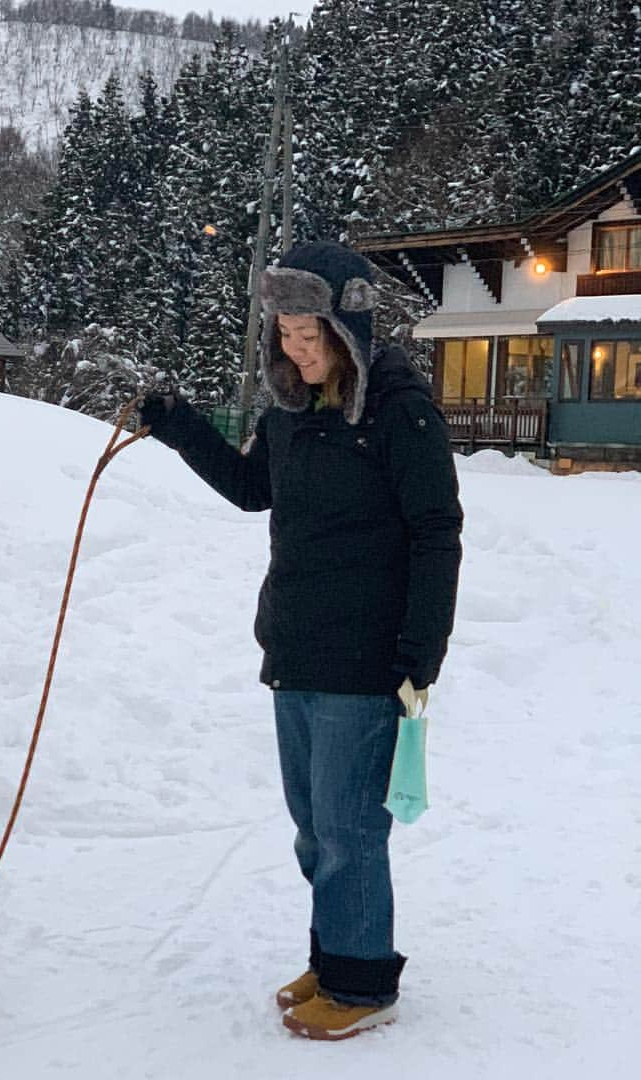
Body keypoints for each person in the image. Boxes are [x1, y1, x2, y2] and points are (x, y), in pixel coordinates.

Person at [138, 240, 463, 1041]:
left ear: (347, 325)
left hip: (367, 659)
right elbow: (255, 491)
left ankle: (362, 986)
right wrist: (178, 427)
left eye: (310, 336)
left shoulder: (398, 408)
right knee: (316, 827)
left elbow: (437, 532)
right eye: (284, 334)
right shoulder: (291, 409)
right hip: (297, 650)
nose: (296, 349)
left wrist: (421, 655)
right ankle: (335, 957)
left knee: (352, 828)